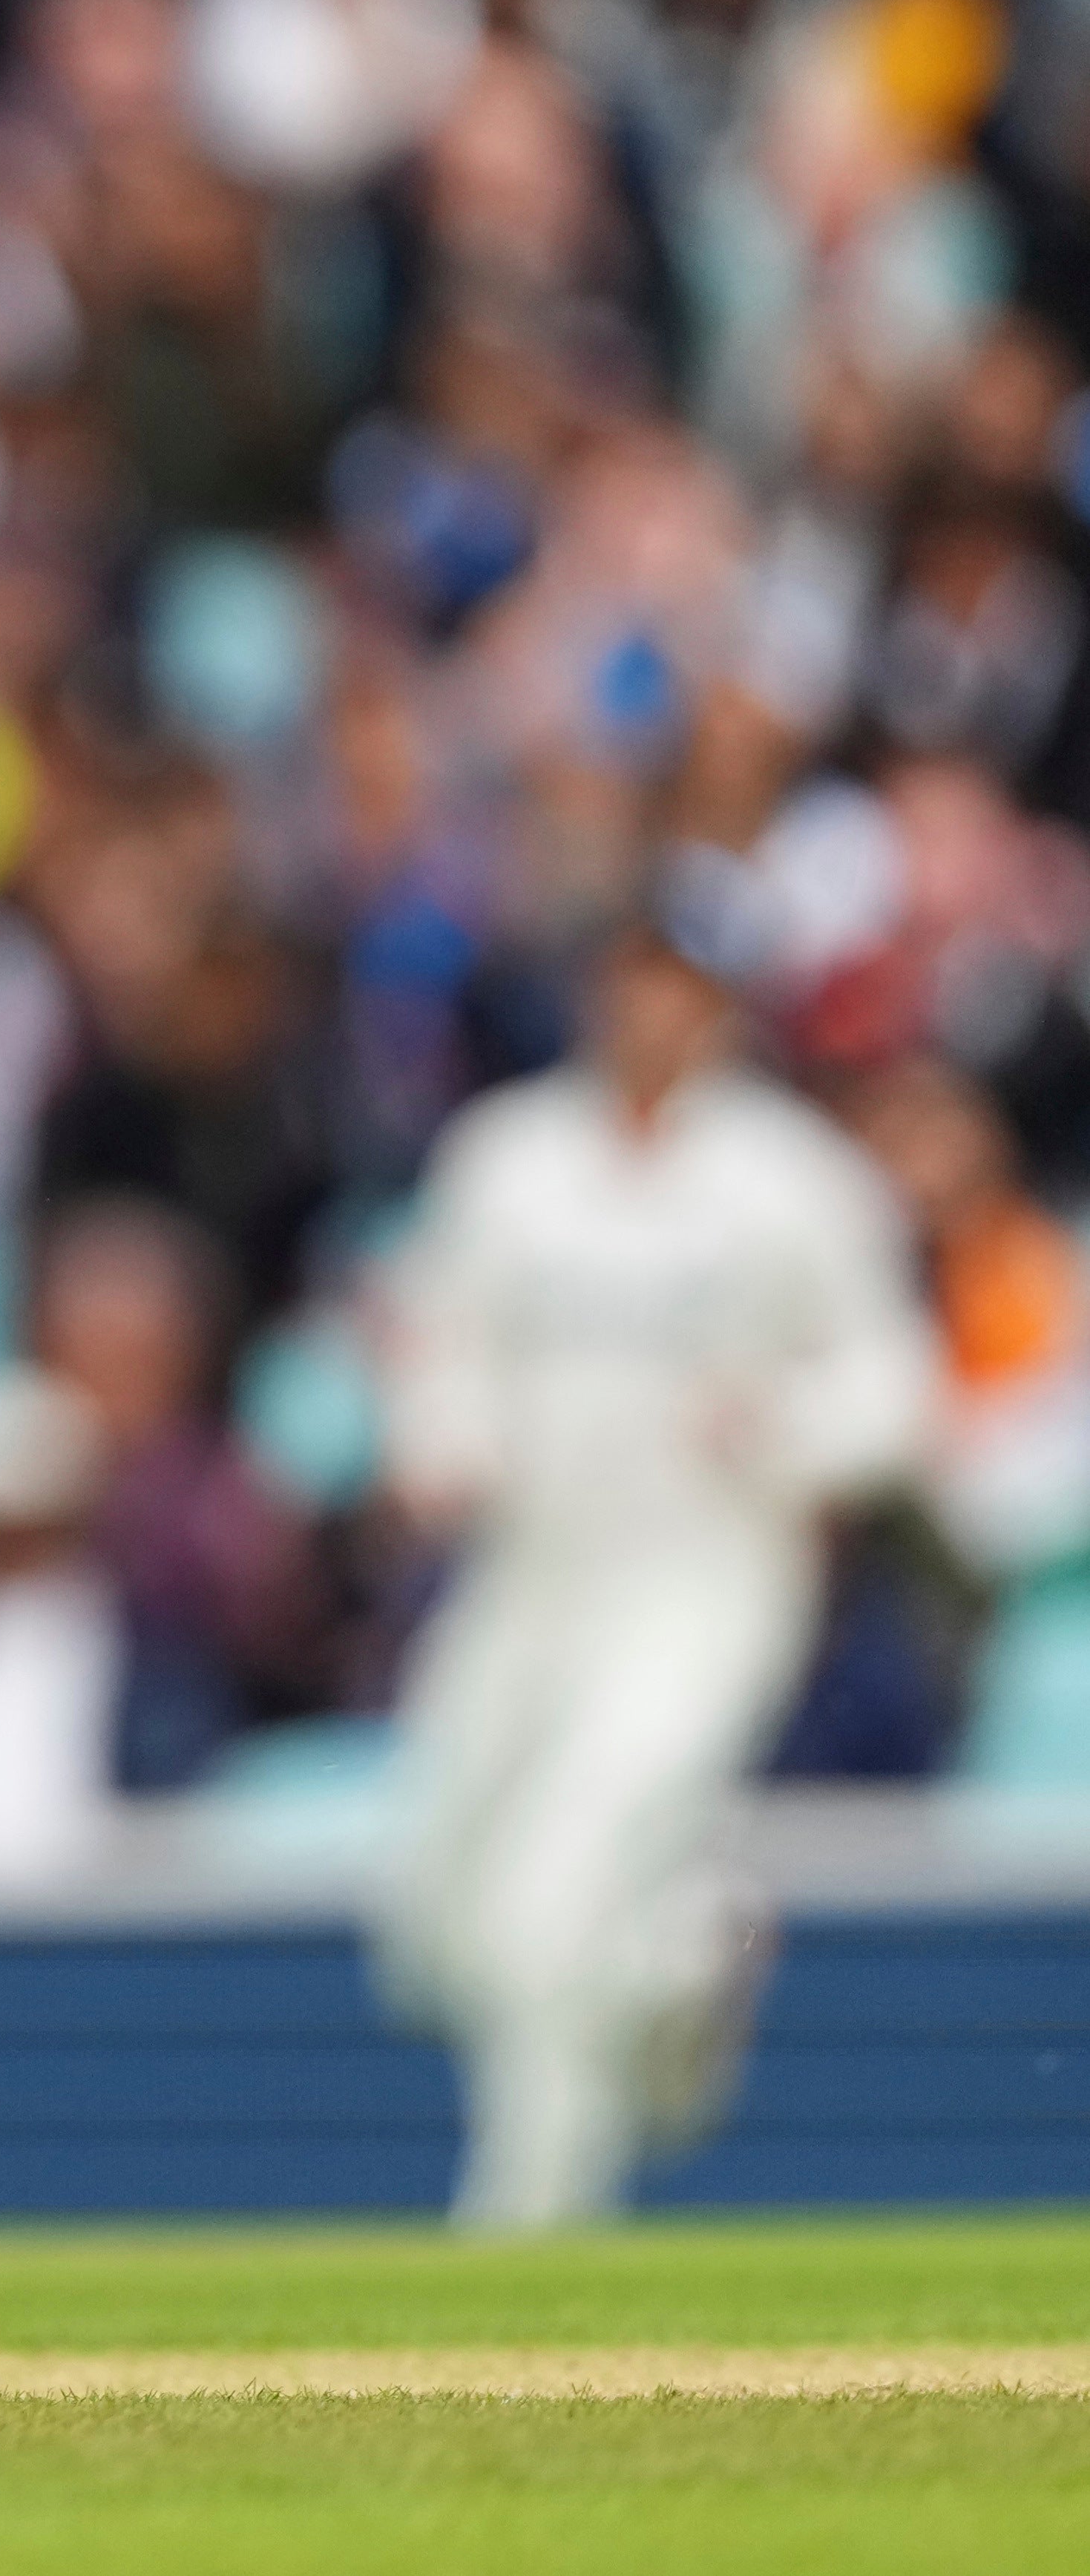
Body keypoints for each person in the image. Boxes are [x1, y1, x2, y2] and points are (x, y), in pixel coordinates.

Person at [373, 902, 936, 2230]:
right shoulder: (505, 1158)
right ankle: (687, 1949)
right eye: (632, 980)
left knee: (545, 1892)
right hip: (527, 1577)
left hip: (703, 1581)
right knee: (432, 1917)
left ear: (720, 1004)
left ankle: (526, 2218)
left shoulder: (790, 1178)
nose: (650, 1012)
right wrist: (440, 1445)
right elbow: (437, 1339)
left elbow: (893, 1388)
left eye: (679, 986)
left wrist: (782, 1430)